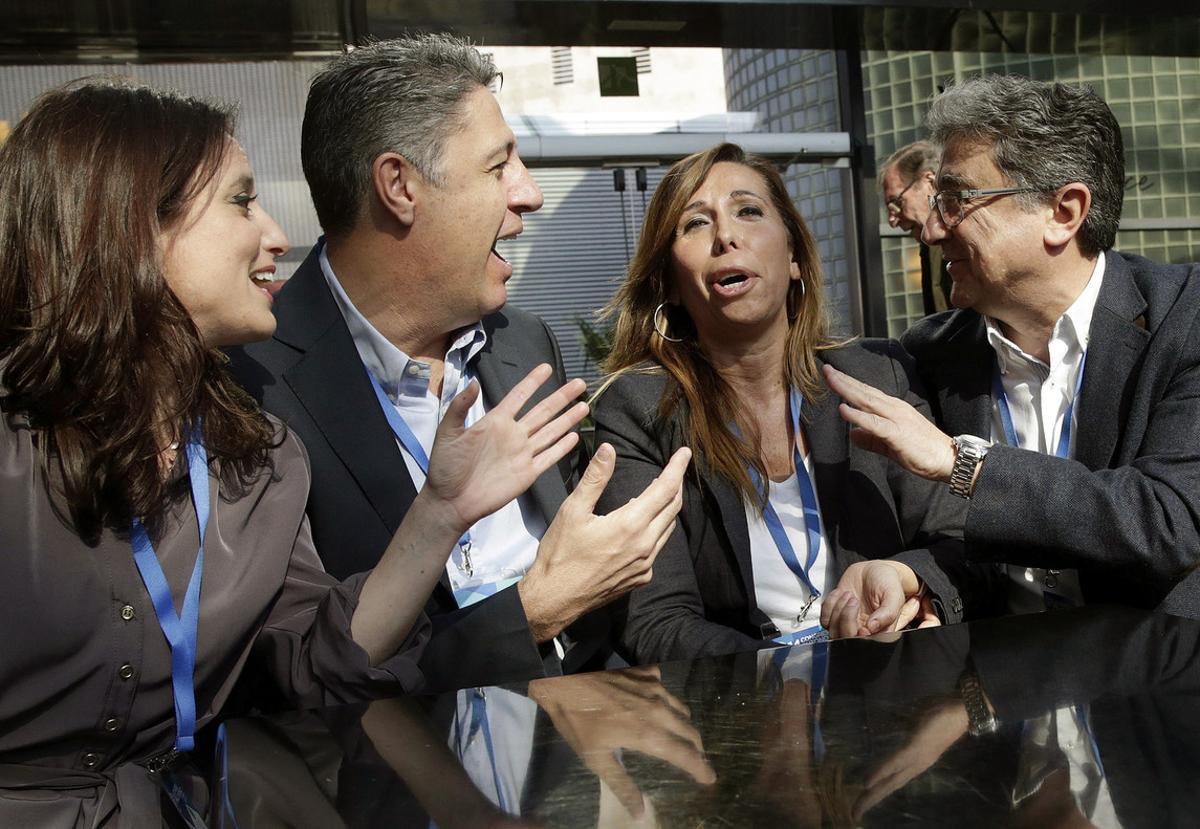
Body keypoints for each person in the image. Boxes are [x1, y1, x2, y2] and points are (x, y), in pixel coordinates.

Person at [0, 79, 656, 825]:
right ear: (131, 227)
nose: (278, 234)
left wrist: (440, 512)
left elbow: (319, 659)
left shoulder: (256, 459)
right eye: (242, 202)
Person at [229, 35, 689, 691]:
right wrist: (530, 614)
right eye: (499, 165)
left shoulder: (524, 343)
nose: (528, 193)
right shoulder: (250, 386)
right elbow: (293, 686)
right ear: (399, 186)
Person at [823, 74, 1200, 636]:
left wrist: (963, 464)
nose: (930, 229)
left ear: (1063, 212)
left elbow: (1168, 521)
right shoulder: (934, 353)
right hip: (1002, 696)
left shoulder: (1186, 318)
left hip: (1159, 688)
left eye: (956, 200)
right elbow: (961, 541)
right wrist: (915, 576)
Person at [592, 142, 970, 665]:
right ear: (670, 286)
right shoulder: (638, 410)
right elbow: (656, 623)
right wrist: (788, 680)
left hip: (892, 690)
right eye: (695, 224)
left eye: (748, 211)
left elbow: (958, 541)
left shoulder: (878, 373)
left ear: (794, 257)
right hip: (742, 715)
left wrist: (908, 578)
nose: (726, 236)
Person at [880, 140, 951, 314]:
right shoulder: (928, 247)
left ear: (930, 182)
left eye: (896, 203)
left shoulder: (971, 232)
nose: (892, 221)